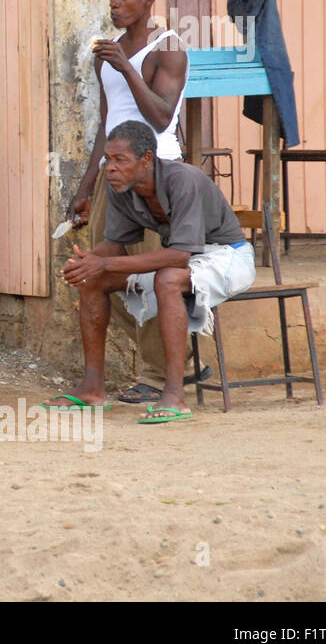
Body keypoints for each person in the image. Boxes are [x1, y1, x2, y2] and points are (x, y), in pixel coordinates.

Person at [65, 0, 217, 403]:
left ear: (148, 0)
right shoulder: (107, 52)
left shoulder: (169, 49)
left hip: (156, 176)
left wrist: (128, 69)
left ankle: (159, 376)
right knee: (96, 271)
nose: (115, 1)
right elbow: (107, 124)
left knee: (155, 273)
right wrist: (84, 186)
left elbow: (160, 116)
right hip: (112, 177)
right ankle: (181, 365)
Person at [60, 120, 255, 423]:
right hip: (187, 260)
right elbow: (114, 245)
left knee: (168, 279)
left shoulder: (183, 180)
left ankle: (175, 394)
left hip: (228, 256)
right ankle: (92, 389)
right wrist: (86, 263)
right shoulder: (121, 187)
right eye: (108, 160)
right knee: (93, 280)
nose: (110, 168)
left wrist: (104, 263)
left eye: (120, 160)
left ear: (146, 160)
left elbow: (177, 256)